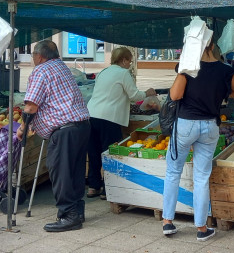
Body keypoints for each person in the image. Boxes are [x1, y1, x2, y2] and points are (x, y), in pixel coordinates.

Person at [162, 37, 234, 241]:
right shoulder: (226, 70)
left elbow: (174, 95)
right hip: (210, 126)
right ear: (212, 46)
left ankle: (167, 222)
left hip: (186, 124)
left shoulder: (188, 67)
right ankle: (201, 228)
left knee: (173, 172)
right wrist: (222, 93)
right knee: (201, 177)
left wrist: (184, 70)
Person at [20, 40, 91, 232]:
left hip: (64, 130)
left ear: (40, 56)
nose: (33, 58)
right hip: (81, 126)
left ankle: (68, 215)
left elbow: (31, 106)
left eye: (33, 54)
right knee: (74, 171)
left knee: (60, 173)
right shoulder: (61, 67)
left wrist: (22, 128)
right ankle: (77, 210)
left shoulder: (41, 71)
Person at [86, 47, 157, 199]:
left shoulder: (103, 72)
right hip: (109, 117)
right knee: (110, 153)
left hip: (91, 114)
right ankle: (107, 189)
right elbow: (134, 95)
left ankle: (93, 186)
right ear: (123, 60)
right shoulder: (123, 73)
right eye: (130, 61)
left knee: (93, 152)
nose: (130, 64)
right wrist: (148, 93)